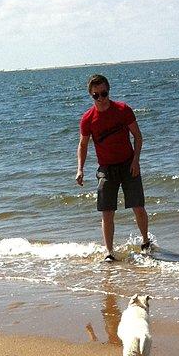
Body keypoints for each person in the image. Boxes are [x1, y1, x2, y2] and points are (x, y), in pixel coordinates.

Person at [76, 73, 151, 262]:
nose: (101, 98)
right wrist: (80, 169)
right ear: (91, 95)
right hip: (106, 168)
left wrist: (136, 161)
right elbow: (83, 145)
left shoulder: (123, 110)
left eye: (104, 93)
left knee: (138, 206)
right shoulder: (88, 119)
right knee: (106, 211)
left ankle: (145, 241)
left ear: (109, 91)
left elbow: (138, 137)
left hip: (128, 164)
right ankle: (109, 252)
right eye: (96, 95)